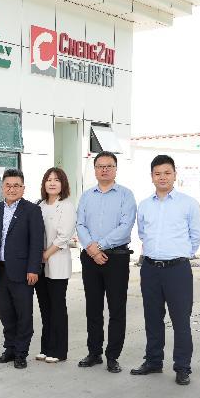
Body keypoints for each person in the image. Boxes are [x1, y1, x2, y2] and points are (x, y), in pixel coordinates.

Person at [130, 155, 200, 386]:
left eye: (167, 173)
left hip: (177, 270)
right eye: (157, 173)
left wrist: (178, 254)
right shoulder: (144, 205)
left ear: (174, 174)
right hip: (150, 269)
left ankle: (182, 367)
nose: (162, 177)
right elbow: (143, 233)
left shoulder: (188, 203)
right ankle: (153, 361)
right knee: (152, 318)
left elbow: (196, 236)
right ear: (151, 176)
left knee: (180, 320)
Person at [75, 151, 137, 374]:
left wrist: (97, 246)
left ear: (115, 169)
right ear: (95, 169)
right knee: (93, 308)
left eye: (109, 166)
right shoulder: (86, 196)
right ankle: (94, 353)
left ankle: (113, 356)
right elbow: (80, 224)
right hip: (90, 258)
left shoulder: (126, 196)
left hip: (117, 258)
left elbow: (125, 226)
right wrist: (91, 249)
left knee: (116, 309)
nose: (104, 169)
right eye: (100, 166)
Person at [0, 169, 44, 369]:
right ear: (2, 188)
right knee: (6, 313)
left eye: (16, 185)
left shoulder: (32, 210)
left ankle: (21, 353)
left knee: (24, 314)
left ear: (23, 188)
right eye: (8, 185)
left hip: (23, 271)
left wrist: (34, 268)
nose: (12, 189)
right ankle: (9, 349)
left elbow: (36, 242)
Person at [34, 168, 77, 363]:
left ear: (63, 184)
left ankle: (59, 350)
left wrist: (44, 255)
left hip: (56, 262)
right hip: (40, 265)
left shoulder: (66, 206)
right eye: (48, 180)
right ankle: (46, 347)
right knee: (45, 307)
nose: (52, 183)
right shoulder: (40, 205)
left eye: (56, 180)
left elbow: (63, 237)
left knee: (57, 307)